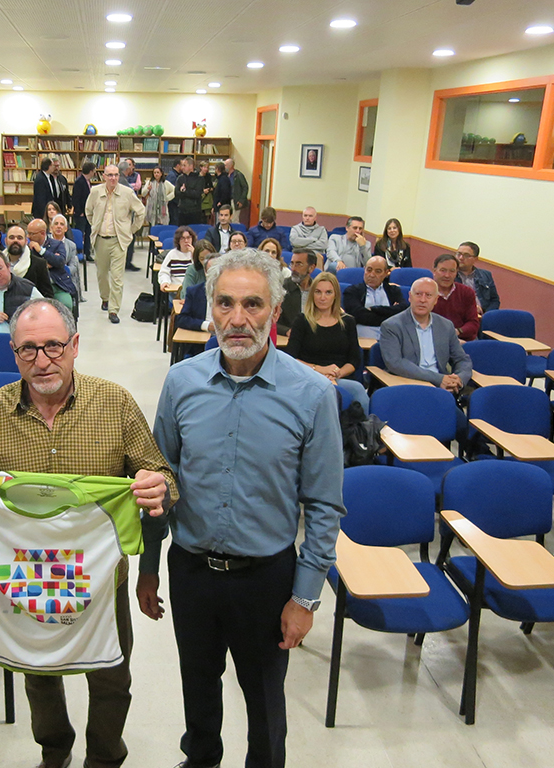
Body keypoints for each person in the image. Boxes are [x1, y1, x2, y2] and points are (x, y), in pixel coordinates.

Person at [0, 298, 177, 768]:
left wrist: (157, 485)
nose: (42, 361)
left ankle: (104, 757)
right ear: (13, 353)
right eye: (27, 350)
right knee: (37, 672)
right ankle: (54, 750)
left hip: (102, 581)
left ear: (75, 345)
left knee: (111, 676)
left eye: (53, 346)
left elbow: (163, 477)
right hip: (25, 579)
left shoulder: (115, 403)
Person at [142, 248, 344, 768]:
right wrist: (147, 569)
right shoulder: (182, 382)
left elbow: (323, 505)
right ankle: (201, 758)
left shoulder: (312, 394)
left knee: (264, 701)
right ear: (209, 307)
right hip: (191, 572)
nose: (237, 319)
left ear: (276, 311)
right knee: (198, 687)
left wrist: (306, 598)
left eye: (252, 304)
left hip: (266, 579)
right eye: (225, 303)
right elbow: (160, 484)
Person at [286, 272, 370, 411]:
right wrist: (319, 370)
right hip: (308, 376)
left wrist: (337, 373)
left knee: (358, 390)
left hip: (339, 377)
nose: (322, 297)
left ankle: (363, 431)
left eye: (328, 292)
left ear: (335, 295)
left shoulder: (348, 321)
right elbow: (290, 358)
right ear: (312, 294)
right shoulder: (302, 321)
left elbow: (354, 360)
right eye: (318, 292)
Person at [379, 277, 473, 392]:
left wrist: (458, 379)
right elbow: (395, 363)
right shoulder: (391, 326)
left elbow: (462, 360)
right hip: (408, 385)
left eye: (428, 295)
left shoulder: (446, 326)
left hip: (442, 388)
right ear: (410, 296)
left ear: (436, 299)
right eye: (418, 294)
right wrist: (438, 379)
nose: (422, 300)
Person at [84, 164, 146, 324]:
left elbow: (140, 211)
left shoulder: (127, 193)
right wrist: (95, 225)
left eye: (116, 175)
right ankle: (105, 298)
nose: (113, 178)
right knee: (102, 274)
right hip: (100, 239)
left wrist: (131, 230)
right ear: (104, 176)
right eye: (110, 175)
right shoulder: (95, 192)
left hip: (119, 240)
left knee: (117, 277)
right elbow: (88, 211)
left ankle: (113, 309)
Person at [342, 255, 407, 339]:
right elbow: (359, 316)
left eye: (378, 271)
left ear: (386, 273)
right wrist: (390, 313)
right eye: (369, 270)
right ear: (364, 269)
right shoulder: (352, 291)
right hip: (363, 337)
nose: (372, 275)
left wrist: (375, 309)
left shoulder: (393, 291)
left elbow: (403, 310)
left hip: (391, 337)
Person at [26, 218, 76, 312]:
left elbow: (60, 262)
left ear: (42, 233)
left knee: (65, 307)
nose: (28, 236)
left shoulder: (57, 244)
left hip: (57, 285)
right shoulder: (27, 248)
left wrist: (41, 251)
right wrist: (46, 263)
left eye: (32, 234)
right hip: (37, 286)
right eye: (28, 233)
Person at [432, 253, 479, 340]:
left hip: (462, 338)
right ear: (434, 271)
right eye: (443, 270)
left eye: (452, 271)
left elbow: (473, 323)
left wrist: (457, 332)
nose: (447, 275)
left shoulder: (466, 292)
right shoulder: (426, 292)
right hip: (434, 338)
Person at [5, 224, 54, 299]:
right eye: (11, 238)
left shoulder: (39, 264)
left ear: (26, 241)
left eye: (19, 238)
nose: (15, 240)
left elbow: (48, 296)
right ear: (6, 241)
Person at [455, 241, 500, 313]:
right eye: (458, 254)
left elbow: (494, 300)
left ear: (475, 259)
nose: (461, 258)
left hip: (481, 315)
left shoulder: (485, 275)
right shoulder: (450, 275)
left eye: (466, 255)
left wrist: (487, 316)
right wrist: (471, 308)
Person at [50, 213, 84, 303]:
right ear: (51, 228)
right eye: (56, 224)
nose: (58, 226)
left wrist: (62, 270)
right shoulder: (46, 243)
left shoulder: (71, 245)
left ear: (66, 229)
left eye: (62, 224)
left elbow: (73, 266)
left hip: (64, 280)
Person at [72, 161, 96, 262]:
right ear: (90, 171)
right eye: (94, 171)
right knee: (80, 234)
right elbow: (75, 198)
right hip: (81, 214)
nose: (95, 173)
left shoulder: (87, 181)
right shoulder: (79, 181)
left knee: (88, 234)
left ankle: (87, 253)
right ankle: (79, 254)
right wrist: (79, 212)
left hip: (88, 213)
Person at [174, 157, 204, 226]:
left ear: (191, 166)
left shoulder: (199, 178)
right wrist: (183, 192)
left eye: (184, 165)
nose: (182, 168)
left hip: (194, 211)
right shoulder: (180, 178)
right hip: (182, 211)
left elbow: (197, 194)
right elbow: (176, 193)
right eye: (182, 165)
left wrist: (185, 191)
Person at [225, 158, 249, 224]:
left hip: (235, 200)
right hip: (227, 200)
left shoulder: (238, 175)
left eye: (226, 165)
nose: (225, 167)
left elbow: (245, 187)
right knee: (228, 220)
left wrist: (241, 200)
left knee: (234, 220)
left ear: (231, 165)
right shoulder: (226, 175)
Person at [166, 159, 182, 225]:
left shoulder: (178, 174)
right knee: (174, 222)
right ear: (178, 165)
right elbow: (171, 191)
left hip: (176, 204)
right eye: (182, 165)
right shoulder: (172, 176)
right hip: (173, 204)